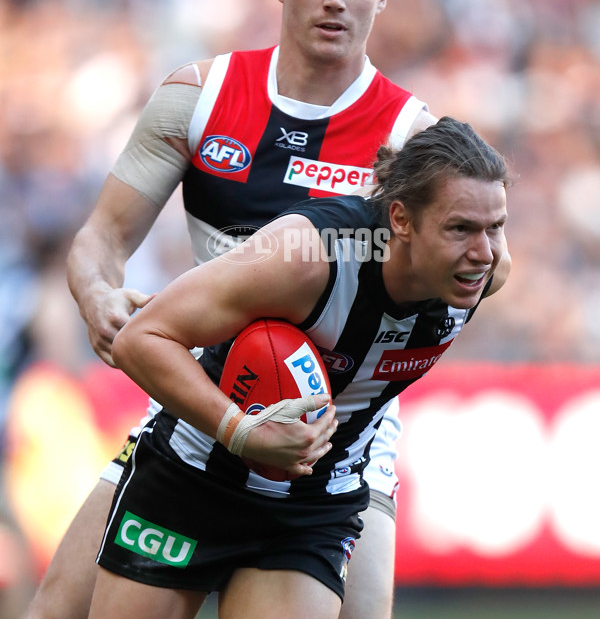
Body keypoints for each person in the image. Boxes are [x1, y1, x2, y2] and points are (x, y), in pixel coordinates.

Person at [24, 0, 437, 619]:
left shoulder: (410, 140)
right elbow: (102, 238)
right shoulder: (200, 96)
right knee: (55, 609)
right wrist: (99, 297)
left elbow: (477, 264)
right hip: (203, 403)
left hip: (336, 436)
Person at [87, 117, 512, 619]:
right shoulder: (307, 254)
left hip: (314, 499)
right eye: (460, 228)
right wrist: (240, 431)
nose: (483, 253)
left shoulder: (484, 273)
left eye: (497, 227)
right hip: (195, 473)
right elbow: (142, 338)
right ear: (400, 219)